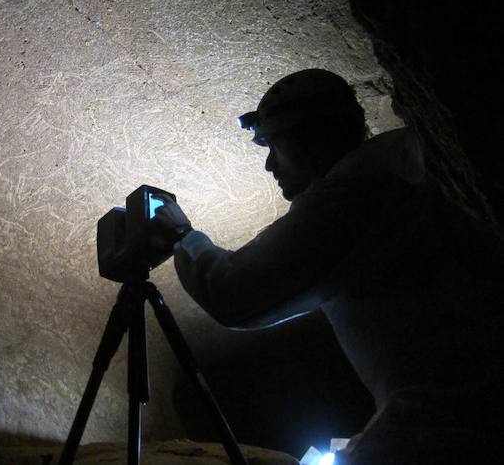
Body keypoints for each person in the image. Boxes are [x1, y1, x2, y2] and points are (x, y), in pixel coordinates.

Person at [152, 68, 504, 464]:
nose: (270, 165)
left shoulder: (353, 196)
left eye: (274, 146)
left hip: (447, 423)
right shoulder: (408, 162)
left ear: (308, 140)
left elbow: (235, 294)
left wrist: (183, 236)